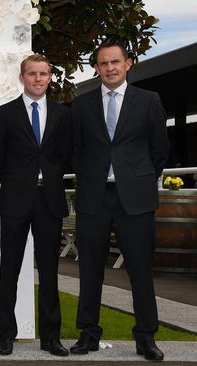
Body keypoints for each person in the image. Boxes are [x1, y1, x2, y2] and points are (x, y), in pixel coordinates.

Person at [70, 42, 169, 361]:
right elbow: (76, 151)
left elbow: (159, 151)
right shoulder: (82, 105)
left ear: (128, 64)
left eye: (115, 61)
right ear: (96, 68)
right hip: (94, 197)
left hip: (135, 199)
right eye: (103, 63)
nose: (110, 67)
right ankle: (88, 334)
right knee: (89, 269)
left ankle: (146, 337)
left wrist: (135, 177)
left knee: (140, 270)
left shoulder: (149, 100)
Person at [0, 54, 70, 357]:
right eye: (32, 74)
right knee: (8, 269)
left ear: (50, 77)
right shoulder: (5, 113)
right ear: (22, 77)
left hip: (49, 200)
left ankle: (51, 338)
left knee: (50, 271)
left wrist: (47, 177)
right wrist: (16, 180)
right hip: (15, 199)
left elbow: (65, 154)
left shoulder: (63, 114)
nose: (38, 79)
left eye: (43, 74)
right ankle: (5, 336)